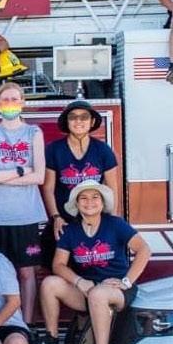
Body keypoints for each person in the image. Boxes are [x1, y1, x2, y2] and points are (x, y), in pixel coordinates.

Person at [39, 181, 148, 344]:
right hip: (88, 288)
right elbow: (58, 265)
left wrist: (126, 281)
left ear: (103, 202)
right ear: (76, 204)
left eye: (95, 197)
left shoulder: (115, 224)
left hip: (116, 290)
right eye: (84, 198)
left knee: (99, 294)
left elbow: (144, 250)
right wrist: (79, 281)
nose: (89, 202)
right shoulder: (71, 231)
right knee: (49, 284)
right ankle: (51, 338)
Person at [0, 83, 48, 338]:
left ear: (23, 102)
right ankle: (2, 325)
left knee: (27, 272)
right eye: (5, 99)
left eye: (14, 99)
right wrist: (20, 171)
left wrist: (2, 176)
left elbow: (39, 176)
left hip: (26, 214)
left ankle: (26, 326)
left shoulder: (33, 133)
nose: (10, 103)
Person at [42, 99, 120, 249]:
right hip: (64, 221)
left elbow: (112, 189)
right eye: (73, 117)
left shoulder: (103, 150)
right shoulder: (54, 149)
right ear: (67, 122)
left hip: (94, 220)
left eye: (84, 117)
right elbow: (48, 188)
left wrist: (111, 220)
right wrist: (56, 217)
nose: (78, 121)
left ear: (92, 122)